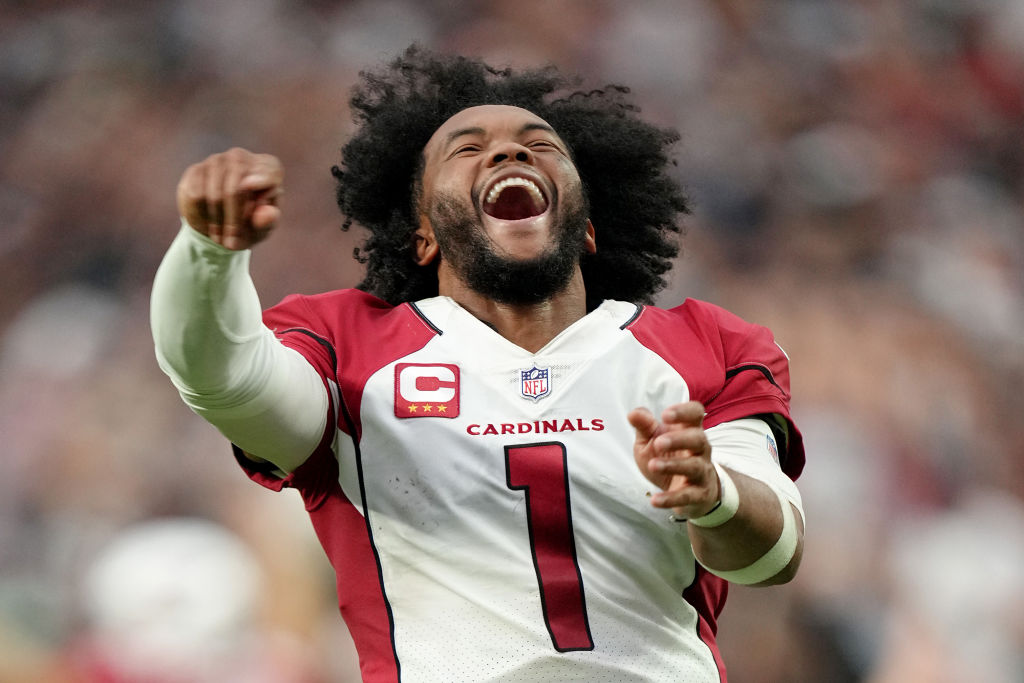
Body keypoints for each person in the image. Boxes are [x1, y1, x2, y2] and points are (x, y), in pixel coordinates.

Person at [151, 46, 805, 682]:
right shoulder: (349, 347)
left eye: (541, 144)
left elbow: (771, 555)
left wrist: (713, 495)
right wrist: (208, 253)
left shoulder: (707, 343)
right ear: (423, 233)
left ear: (588, 225)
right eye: (466, 148)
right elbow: (221, 375)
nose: (508, 150)